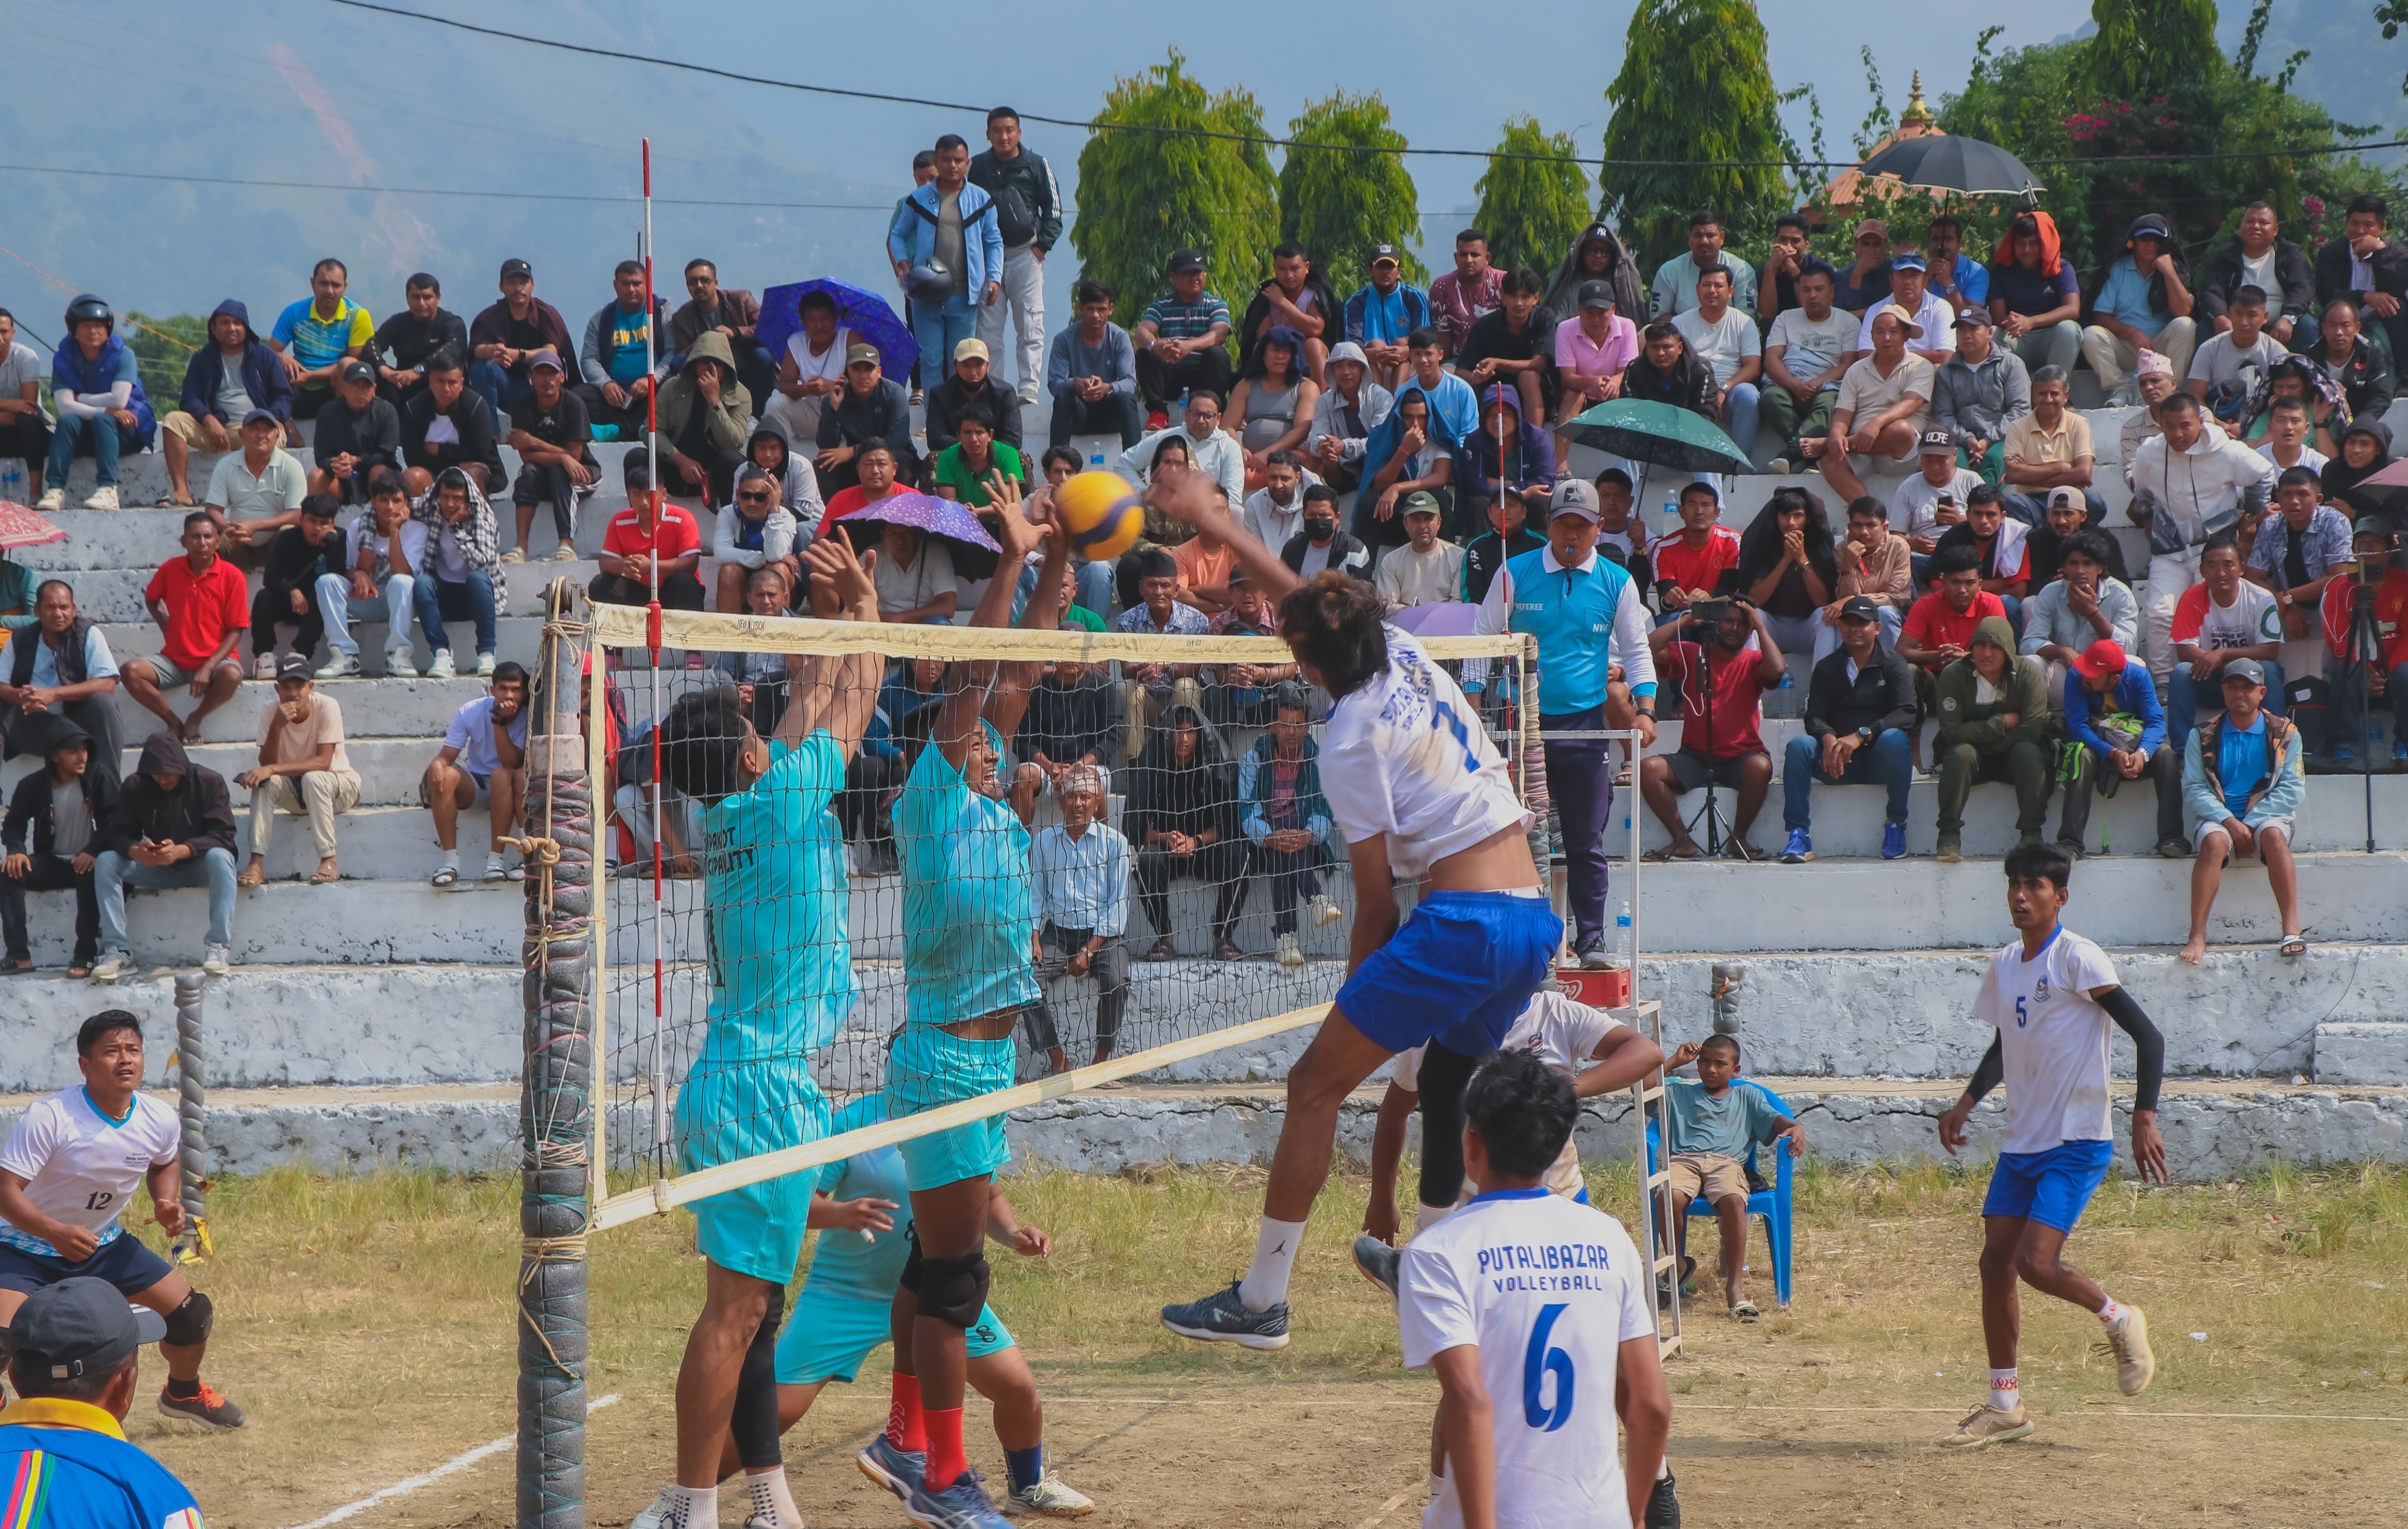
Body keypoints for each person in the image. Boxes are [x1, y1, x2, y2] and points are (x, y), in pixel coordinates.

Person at [1152, 463, 1560, 1350]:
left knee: (1313, 1085)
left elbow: (1374, 904)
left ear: (1302, 664)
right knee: (1450, 1082)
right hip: (1532, 915)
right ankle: (1458, 1276)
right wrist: (1215, 524)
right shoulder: (1400, 649)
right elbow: (1308, 599)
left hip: (1464, 924)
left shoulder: (1346, 740)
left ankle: (1260, 1302)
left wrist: (1351, 998)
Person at [628, 535, 886, 1529]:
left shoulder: (733, 810)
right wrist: (861, 608)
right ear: (744, 756)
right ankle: (691, 1502)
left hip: (751, 1082)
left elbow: (804, 709)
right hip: (759, 1087)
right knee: (735, 1314)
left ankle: (768, 1499)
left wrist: (826, 624)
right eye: (752, 728)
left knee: (757, 1309)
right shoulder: (778, 801)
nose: (766, 732)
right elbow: (849, 705)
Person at [874, 487, 1066, 1529]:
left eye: (994, 744)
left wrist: (1058, 559)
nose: (991, 744)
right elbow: (987, 676)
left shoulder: (998, 816)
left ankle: (902, 1434)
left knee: (929, 1262)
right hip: (944, 1063)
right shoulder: (933, 801)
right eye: (974, 740)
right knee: (955, 1284)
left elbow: (1023, 670)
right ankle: (942, 1478)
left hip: (987, 1068)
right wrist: (1007, 565)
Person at [739, 1096, 1093, 1524]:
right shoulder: (855, 1122)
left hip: (938, 1292)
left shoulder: (958, 1118)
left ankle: (1027, 1488)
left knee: (1018, 1391)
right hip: (846, 1295)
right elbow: (799, 1201)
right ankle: (690, 1492)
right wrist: (840, 1213)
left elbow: (986, 1194)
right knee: (774, 1412)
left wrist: (1015, 1234)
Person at [1934, 839, 2164, 1447]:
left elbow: (2148, 1036)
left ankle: (2118, 1317)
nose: (2020, 894)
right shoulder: (2006, 962)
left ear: (2059, 896)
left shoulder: (2078, 958)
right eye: (2013, 882)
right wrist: (1965, 1101)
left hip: (2075, 1138)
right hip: (2022, 1142)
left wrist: (2144, 1115)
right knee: (1994, 1263)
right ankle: (2004, 1404)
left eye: (2034, 885)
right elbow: (2003, 1047)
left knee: (2035, 1262)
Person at [1390, 1049, 1673, 1529]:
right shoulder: (1608, 1237)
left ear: (1472, 1140)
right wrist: (1635, 1514)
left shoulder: (1438, 1252)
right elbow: (1650, 1404)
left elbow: (1467, 1401)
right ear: (1560, 1140)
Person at [0, 1013, 244, 1426]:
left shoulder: (158, 1118)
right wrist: (53, 1232)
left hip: (103, 1245)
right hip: (25, 1246)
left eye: (133, 1050)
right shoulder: (51, 1116)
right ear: (85, 1064)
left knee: (191, 1314)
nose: (125, 1060)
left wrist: (165, 1202)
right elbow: (6, 1192)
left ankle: (182, 1393)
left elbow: (163, 1163)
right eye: (111, 1051)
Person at [1473, 478, 1657, 965]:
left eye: (1581, 525)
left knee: (1584, 841)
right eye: (1562, 525)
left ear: (1599, 528)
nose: (1570, 535)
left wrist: (1645, 709)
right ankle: (1518, 941)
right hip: (1522, 726)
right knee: (1514, 838)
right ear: (1548, 526)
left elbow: (1636, 649)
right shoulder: (1514, 573)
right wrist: (1473, 709)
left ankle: (1591, 938)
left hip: (1584, 726)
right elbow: (1482, 641)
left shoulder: (1617, 581)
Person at [2128, 392, 2278, 683]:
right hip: (2169, 549)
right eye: (2169, 426)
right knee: (2159, 614)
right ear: (2160, 424)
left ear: (2200, 422)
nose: (2177, 433)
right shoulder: (2150, 453)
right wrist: (2152, 524)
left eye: (2185, 425)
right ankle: (2163, 683)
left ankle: (2213, 679)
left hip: (2214, 552)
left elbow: (2263, 474)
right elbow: (2143, 493)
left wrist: (2250, 517)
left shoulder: (2227, 451)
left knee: (2208, 616)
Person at [1659, 1034, 1804, 1319]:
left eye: (1720, 1064)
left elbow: (1776, 1120)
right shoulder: (1679, 1093)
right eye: (1705, 1063)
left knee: (1735, 1201)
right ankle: (1677, 1263)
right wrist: (1675, 1061)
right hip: (1684, 1160)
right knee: (1669, 1196)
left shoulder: (1747, 1096)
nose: (1711, 1070)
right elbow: (1637, 1088)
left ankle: (1735, 1290)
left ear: (1735, 1070)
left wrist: (1797, 1127)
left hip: (1727, 1164)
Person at [91, 733, 237, 984]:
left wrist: (182, 850)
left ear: (182, 766)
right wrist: (137, 851)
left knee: (221, 858)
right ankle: (116, 950)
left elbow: (224, 835)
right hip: (155, 867)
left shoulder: (209, 781)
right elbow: (118, 833)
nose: (164, 778)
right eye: (156, 773)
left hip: (199, 865)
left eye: (170, 772)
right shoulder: (136, 785)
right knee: (106, 861)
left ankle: (218, 946)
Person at [1780, 595, 1917, 863]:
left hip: (1878, 761)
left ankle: (1896, 826)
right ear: (1840, 627)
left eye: (1862, 623)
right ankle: (1799, 835)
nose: (1854, 628)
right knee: (1799, 746)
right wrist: (1828, 738)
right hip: (1835, 762)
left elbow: (1907, 712)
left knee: (1896, 739)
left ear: (1877, 628)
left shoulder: (1894, 664)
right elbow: (1815, 716)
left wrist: (1863, 734)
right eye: (1848, 622)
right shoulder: (1827, 666)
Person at [1642, 598, 1781, 860]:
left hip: (1741, 756)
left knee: (1761, 767)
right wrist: (1684, 621)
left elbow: (1777, 669)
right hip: (1694, 756)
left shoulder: (1754, 659)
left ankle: (1738, 839)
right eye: (1728, 620)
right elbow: (1647, 648)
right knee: (1648, 769)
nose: (1734, 628)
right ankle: (1682, 840)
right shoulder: (1694, 653)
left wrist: (1760, 626)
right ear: (1717, 623)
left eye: (1742, 624)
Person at [1124, 703, 1246, 965]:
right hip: (1167, 851)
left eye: (1190, 732)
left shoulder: (1211, 767)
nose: (1184, 738)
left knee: (1240, 856)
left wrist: (1196, 841)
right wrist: (1166, 838)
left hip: (1203, 850)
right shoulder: (1156, 768)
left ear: (1199, 735)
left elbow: (1226, 827)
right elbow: (1140, 832)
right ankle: (1165, 937)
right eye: (1178, 731)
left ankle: (1222, 937)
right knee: (1144, 861)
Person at [889, 135, 1004, 399]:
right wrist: (902, 262)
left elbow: (994, 241)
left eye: (958, 160)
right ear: (937, 162)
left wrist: (994, 277)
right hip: (926, 295)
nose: (953, 165)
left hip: (966, 296)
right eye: (946, 160)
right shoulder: (917, 199)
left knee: (961, 360)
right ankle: (933, 419)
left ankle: (958, 419)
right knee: (929, 359)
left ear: (968, 164)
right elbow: (898, 234)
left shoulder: (981, 200)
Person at [1932, 615, 2052, 862]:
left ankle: (2031, 834)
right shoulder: (1954, 675)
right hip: (1973, 762)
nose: (1986, 653)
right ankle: (1949, 835)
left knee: (2029, 752)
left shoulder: (2028, 673)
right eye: (1980, 645)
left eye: (1995, 647)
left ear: (2008, 650)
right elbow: (1952, 732)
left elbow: (2032, 729)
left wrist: (1981, 737)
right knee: (1960, 754)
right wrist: (2001, 723)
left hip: (2013, 759)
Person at [1236, 685, 1338, 969]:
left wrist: (1308, 835)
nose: (1291, 732)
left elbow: (1323, 812)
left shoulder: (1317, 760)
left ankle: (1286, 939)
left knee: (1291, 829)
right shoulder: (1253, 760)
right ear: (1273, 727)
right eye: (1284, 725)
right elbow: (1247, 812)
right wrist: (1268, 836)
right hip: (1264, 841)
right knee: (1282, 836)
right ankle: (1315, 897)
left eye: (1297, 725)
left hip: (1305, 843)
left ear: (1307, 727)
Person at [2055, 638, 2184, 859]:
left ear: (2114, 678)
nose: (2085, 675)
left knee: (2166, 755)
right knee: (2081, 755)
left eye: (2093, 674)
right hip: (2097, 747)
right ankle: (2070, 843)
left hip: (2134, 747)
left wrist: (2142, 755)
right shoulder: (2077, 677)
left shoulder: (2139, 677)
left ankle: (2172, 838)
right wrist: (2111, 752)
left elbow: (2155, 723)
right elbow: (2077, 726)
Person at [234, 658, 358, 887]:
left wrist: (271, 769)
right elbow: (266, 763)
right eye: (286, 687)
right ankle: (256, 864)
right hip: (297, 790)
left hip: (340, 786)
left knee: (313, 778)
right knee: (265, 783)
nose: (293, 693)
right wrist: (277, 726)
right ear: (277, 689)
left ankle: (328, 859)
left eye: (299, 686)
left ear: (310, 687)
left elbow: (323, 762)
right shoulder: (270, 711)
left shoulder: (327, 705)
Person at [123, 514, 247, 745]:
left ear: (218, 541)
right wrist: (165, 625)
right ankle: (172, 722)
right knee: (130, 671)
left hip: (217, 660)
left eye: (208, 536)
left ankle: (195, 718)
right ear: (183, 541)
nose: (202, 542)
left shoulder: (232, 575)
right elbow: (152, 599)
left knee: (232, 674)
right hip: (175, 661)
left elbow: (237, 629)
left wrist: (209, 666)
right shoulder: (171, 569)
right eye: (195, 536)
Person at [0, 722, 111, 977]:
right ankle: (18, 956)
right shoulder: (33, 784)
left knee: (88, 872)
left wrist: (94, 851)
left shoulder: (100, 776)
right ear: (54, 755)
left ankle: (85, 954)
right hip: (53, 861)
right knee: (10, 872)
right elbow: (14, 822)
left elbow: (116, 822)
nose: (82, 755)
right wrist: (15, 850)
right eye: (73, 750)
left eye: (85, 749)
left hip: (91, 861)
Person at [2165, 531, 2284, 758]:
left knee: (2269, 669)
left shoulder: (2262, 598)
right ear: (2202, 571)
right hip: (2213, 681)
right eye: (2212, 566)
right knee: (2181, 673)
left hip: (2251, 680)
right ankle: (2180, 754)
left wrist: (2221, 654)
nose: (2220, 573)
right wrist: (2219, 663)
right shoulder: (2191, 598)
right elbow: (2185, 650)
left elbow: (2271, 651)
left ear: (2241, 568)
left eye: (2228, 565)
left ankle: (2276, 744)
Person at [163, 299, 293, 506]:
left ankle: (264, 498)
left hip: (256, 428)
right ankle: (181, 492)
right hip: (218, 431)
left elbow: (284, 397)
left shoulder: (265, 356)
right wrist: (209, 420)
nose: (231, 328)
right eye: (224, 323)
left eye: (237, 323)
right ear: (213, 329)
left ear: (246, 327)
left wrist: (273, 418)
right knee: (173, 421)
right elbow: (189, 398)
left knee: (273, 437)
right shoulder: (202, 358)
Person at [1801, 305, 1934, 504]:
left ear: (1906, 335)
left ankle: (1830, 444)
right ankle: (1869, 512)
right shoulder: (1856, 369)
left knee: (1902, 430)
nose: (1886, 337)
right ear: (1872, 336)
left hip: (1900, 451)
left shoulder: (1921, 365)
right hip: (1860, 451)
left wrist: (1876, 424)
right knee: (1831, 462)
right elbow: (1843, 412)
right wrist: (1837, 435)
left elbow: (1911, 403)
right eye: (1880, 332)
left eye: (1894, 332)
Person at [36, 296, 153, 514]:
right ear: (74, 329)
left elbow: (120, 400)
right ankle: (54, 490)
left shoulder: (123, 355)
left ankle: (107, 489)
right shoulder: (63, 358)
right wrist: (104, 408)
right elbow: (64, 406)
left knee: (103, 419)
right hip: (92, 432)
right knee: (68, 421)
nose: (93, 331)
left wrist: (82, 398)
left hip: (128, 431)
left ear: (108, 328)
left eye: (99, 326)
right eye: (87, 326)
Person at [1, 581, 121, 789]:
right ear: (37, 610)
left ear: (74, 610)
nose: (58, 613)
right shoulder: (19, 638)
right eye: (50, 607)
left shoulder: (89, 634)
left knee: (103, 703)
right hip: (38, 726)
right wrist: (25, 696)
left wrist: (54, 694)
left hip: (80, 727)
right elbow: (1, 685)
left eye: (64, 607)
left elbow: (108, 683)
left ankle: (108, 792)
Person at [424, 664, 529, 887]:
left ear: (525, 692)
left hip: (512, 784)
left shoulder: (529, 716)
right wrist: (437, 765)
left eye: (516, 689)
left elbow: (510, 763)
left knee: (503, 774)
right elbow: (447, 756)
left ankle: (496, 859)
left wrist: (499, 722)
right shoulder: (471, 710)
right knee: (447, 775)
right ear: (492, 690)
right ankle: (450, 862)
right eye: (503, 688)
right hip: (478, 784)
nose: (509, 695)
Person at [2080, 215, 2198, 403]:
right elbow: (2101, 316)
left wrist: (2168, 271)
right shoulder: (2118, 269)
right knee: (2091, 334)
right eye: (2145, 239)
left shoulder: (2175, 269)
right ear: (2133, 242)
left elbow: (2184, 311)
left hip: (2162, 349)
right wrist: (2132, 332)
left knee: (2186, 326)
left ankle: (2168, 389)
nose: (2151, 244)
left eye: (2157, 240)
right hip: (2127, 347)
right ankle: (2118, 388)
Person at [2320, 514, 2408, 766]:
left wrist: (2386, 674)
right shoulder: (2338, 586)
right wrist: (2367, 671)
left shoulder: (2404, 583)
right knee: (2344, 674)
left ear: (2390, 550)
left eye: (2373, 542)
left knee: (2407, 673)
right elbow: (2337, 639)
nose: (2366, 548)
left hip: (2394, 673)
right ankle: (2343, 747)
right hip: (2361, 670)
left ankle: (2404, 743)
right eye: (2361, 542)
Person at [2019, 529, 2139, 708]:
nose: (2080, 570)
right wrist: (2062, 651)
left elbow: (2129, 647)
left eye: (2088, 563)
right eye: (2073, 563)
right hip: (2068, 677)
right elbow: (2029, 643)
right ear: (2064, 568)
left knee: (2136, 665)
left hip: (2105, 680)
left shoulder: (2120, 594)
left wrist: (2093, 613)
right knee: (2031, 664)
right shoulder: (2051, 593)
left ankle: (2111, 712)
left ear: (2100, 567)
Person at [321, 471, 424, 678]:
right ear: (373, 502)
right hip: (365, 597)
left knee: (401, 582)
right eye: (383, 500)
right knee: (326, 581)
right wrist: (359, 574)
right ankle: (344, 656)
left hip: (401, 602)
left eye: (396, 501)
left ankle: (399, 654)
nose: (390, 507)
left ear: (406, 503)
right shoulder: (357, 527)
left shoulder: (417, 530)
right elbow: (348, 568)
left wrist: (394, 531)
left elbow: (402, 571)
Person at [504, 349, 599, 562]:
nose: (547, 379)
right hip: (541, 476)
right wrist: (562, 457)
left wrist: (533, 442)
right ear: (531, 377)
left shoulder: (574, 404)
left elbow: (575, 456)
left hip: (582, 473)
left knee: (560, 469)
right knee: (527, 473)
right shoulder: (521, 405)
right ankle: (521, 548)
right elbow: (526, 457)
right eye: (541, 373)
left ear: (562, 376)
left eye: (552, 373)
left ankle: (566, 545)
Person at [1111, 549, 1210, 753]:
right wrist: (1142, 668)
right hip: (1147, 700)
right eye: (1152, 585)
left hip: (1180, 698)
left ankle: (1186, 765)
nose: (1158, 592)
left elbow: (1196, 669)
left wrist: (1165, 667)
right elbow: (1125, 670)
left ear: (1176, 590)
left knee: (1186, 686)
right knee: (1126, 688)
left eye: (1165, 585)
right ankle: (1134, 767)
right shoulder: (1127, 621)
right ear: (1141, 588)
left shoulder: (1197, 620)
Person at [411, 467, 504, 679]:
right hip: (443, 595)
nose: (450, 504)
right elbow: (397, 506)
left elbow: (482, 563)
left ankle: (487, 653)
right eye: (445, 496)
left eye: (457, 498)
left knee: (478, 579)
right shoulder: (431, 508)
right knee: (422, 583)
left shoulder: (482, 517)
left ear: (467, 498)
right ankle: (441, 654)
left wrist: (455, 528)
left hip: (476, 598)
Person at [1760, 264, 1854, 473]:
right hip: (1788, 382)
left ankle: (1791, 453)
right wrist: (1794, 385)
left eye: (1819, 290)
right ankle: (1812, 456)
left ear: (1832, 292)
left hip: (1828, 385)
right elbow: (1772, 359)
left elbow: (1848, 363)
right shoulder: (1786, 318)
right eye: (1806, 290)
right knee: (1770, 398)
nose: (1812, 295)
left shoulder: (1849, 322)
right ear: (1799, 294)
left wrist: (1813, 385)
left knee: (1829, 402)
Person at [1734, 485, 1838, 662]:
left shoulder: (1818, 548)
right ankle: (1749, 683)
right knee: (1752, 615)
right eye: (1785, 515)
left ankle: (1822, 686)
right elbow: (1754, 600)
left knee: (1825, 617)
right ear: (1777, 517)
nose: (1791, 523)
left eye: (1798, 516)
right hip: (1770, 626)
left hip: (1806, 626)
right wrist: (1784, 561)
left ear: (1808, 518)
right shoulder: (1765, 546)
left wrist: (1802, 559)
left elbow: (1822, 602)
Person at [468, 257, 578, 422]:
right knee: (481, 368)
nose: (518, 288)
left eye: (523, 282)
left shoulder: (547, 315)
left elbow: (552, 352)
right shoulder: (489, 318)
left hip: (544, 386)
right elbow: (475, 349)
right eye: (511, 283)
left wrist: (518, 355)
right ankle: (490, 434)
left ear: (532, 285)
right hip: (509, 388)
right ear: (501, 287)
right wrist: (492, 351)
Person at [1132, 248, 1235, 422]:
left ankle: (1215, 411)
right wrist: (1156, 345)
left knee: (1217, 354)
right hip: (1173, 375)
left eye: (1198, 272)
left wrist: (1190, 345)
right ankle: (1158, 413)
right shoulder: (1161, 305)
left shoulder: (1216, 304)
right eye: (1187, 273)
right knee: (1145, 354)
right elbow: (1142, 332)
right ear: (1174, 277)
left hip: (1203, 378)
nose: (1194, 278)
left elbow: (1220, 334)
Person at [2247, 465, 2352, 637]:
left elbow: (2337, 577)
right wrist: (2287, 606)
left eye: (2303, 494)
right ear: (2278, 498)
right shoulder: (2270, 525)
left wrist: (2287, 598)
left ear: (2318, 499)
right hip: (2285, 606)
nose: (2294, 501)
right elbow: (2254, 576)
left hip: (2331, 604)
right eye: (2287, 494)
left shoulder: (2335, 521)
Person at [1668, 266, 1760, 461]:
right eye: (1706, 285)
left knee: (1750, 396)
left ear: (1731, 292)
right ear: (1697, 289)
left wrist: (1724, 389)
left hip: (1730, 390)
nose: (1712, 290)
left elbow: (1753, 366)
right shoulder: (1680, 323)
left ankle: (1740, 462)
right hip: (1692, 388)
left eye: (1719, 285)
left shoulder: (1744, 322)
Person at [267, 257, 372, 425]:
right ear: (313, 283)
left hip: (334, 384)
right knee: (275, 363)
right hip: (298, 384)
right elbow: (269, 351)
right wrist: (281, 357)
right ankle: (286, 426)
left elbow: (356, 363)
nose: (329, 291)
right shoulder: (294, 313)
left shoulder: (358, 315)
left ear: (345, 287)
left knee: (348, 364)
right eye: (323, 284)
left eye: (336, 285)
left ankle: (343, 424)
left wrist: (310, 376)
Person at [250, 493, 348, 672]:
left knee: (321, 593)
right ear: (301, 519)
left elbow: (340, 576)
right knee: (263, 597)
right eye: (312, 521)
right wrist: (291, 592)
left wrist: (332, 545)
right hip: (291, 601)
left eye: (324, 522)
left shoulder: (340, 539)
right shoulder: (288, 538)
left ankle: (300, 655)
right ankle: (264, 656)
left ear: (332, 524)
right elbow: (270, 577)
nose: (317, 528)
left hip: (320, 609)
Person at [2197, 202, 2315, 349]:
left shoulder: (2291, 254)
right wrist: (2220, 317)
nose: (2256, 226)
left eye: (2264, 222)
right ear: (2241, 227)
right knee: (2206, 327)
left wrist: (2288, 318)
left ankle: (2311, 371)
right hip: (2236, 325)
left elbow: (2303, 288)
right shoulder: (2225, 258)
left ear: (2276, 230)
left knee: (2307, 326)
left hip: (2279, 324)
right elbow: (2211, 290)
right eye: (2250, 221)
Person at [574, 260, 671, 438]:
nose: (632, 289)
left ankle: (616, 430)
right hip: (615, 395)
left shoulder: (662, 314)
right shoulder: (602, 319)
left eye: (637, 283)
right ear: (615, 285)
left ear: (647, 283)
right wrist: (605, 383)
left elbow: (673, 354)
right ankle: (634, 427)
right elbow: (589, 358)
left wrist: (652, 379)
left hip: (651, 390)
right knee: (577, 398)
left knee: (670, 394)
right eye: (625, 284)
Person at [656, 332, 754, 508]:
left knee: (732, 460)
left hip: (714, 473)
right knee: (638, 459)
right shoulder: (672, 387)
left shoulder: (741, 394)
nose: (711, 368)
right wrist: (679, 459)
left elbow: (733, 443)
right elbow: (652, 431)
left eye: (717, 363)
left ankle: (731, 520)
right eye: (704, 362)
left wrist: (714, 402)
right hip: (675, 465)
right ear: (694, 365)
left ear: (726, 367)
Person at [1042, 280, 1142, 451]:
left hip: (1110, 414)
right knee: (1063, 398)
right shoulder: (1064, 340)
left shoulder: (1120, 337)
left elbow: (1130, 383)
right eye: (1090, 309)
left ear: (1110, 309)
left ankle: (1135, 466)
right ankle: (1058, 462)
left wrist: (1107, 388)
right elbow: (1054, 383)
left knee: (1126, 399)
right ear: (1080, 308)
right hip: (1079, 415)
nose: (1096, 315)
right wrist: (1076, 383)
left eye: (1101, 309)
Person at [1933, 306, 2028, 483]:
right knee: (1953, 464)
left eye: (1974, 328)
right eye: (1961, 329)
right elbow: (1943, 415)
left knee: (1994, 461)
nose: (1967, 335)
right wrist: (1968, 439)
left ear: (1990, 332)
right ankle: (1960, 510)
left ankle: (1985, 508)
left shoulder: (2011, 364)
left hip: (2002, 438)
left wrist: (1988, 440)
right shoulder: (1947, 370)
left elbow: (2020, 410)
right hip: (1961, 440)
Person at [593, 465, 707, 611]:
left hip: (673, 591)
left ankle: (684, 634)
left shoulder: (681, 518)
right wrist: (627, 564)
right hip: (639, 590)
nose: (644, 503)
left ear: (664, 494)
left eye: (649, 495)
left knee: (684, 582)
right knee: (600, 584)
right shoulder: (619, 521)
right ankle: (618, 633)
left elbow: (691, 563)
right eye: (637, 495)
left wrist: (652, 566)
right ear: (629, 496)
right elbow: (605, 564)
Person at [1456, 267, 1558, 428]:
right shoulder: (1484, 326)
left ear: (1536, 298)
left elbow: (1538, 365)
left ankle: (1536, 441)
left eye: (1525, 297)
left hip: (1535, 392)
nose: (1518, 303)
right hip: (1493, 391)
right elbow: (1460, 370)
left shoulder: (1544, 318)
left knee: (1528, 377)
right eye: (1513, 296)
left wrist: (1497, 362)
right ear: (1503, 297)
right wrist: (1476, 377)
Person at [669, 258, 774, 413]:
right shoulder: (682, 317)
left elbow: (767, 328)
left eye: (704, 280)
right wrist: (700, 343)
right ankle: (698, 414)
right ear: (688, 287)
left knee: (763, 356)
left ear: (715, 282)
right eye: (692, 282)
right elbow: (680, 353)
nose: (699, 286)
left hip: (743, 362)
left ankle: (758, 413)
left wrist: (735, 332)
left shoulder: (742, 299)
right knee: (678, 364)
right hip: (709, 370)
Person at [2002, 366, 2103, 526]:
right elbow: (2013, 475)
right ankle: (2043, 539)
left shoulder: (2079, 424)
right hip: (2033, 500)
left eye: (2054, 393)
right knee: (2011, 502)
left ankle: (2075, 543)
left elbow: (2084, 475)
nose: (2048, 399)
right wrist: (2061, 467)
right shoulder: (2017, 427)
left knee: (2094, 501)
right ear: (2034, 396)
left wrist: (2029, 472)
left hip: (2071, 498)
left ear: (2066, 396)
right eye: (2042, 393)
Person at [2311, 193, 2408, 362]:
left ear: (2382, 227)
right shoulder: (2331, 253)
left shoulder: (2398, 252)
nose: (2360, 231)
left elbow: (2397, 289)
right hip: (2345, 317)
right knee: (2331, 316)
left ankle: (2403, 378)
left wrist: (2381, 253)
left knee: (2399, 308)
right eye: (2354, 223)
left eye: (2369, 225)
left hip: (2383, 317)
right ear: (2346, 224)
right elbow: (2327, 295)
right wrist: (2365, 297)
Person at [1987, 210, 2083, 377]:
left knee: (2070, 329)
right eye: (2020, 243)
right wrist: (2012, 322)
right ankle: (2012, 389)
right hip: (2017, 337)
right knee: (1992, 333)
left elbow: (2073, 309)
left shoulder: (2061, 268)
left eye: (2033, 243)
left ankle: (2057, 387)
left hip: (2051, 338)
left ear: (2044, 243)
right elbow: (1997, 316)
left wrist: (2031, 322)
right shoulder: (2000, 271)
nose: (2027, 250)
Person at [1360, 390, 1458, 554]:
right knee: (1370, 501)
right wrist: (1404, 450)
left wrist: (1397, 488)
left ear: (1430, 417)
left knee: (1441, 496)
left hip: (1426, 518)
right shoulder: (1387, 437)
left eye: (1421, 417)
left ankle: (1448, 561)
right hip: (1395, 517)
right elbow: (1380, 483)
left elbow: (1440, 478)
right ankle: (1364, 572)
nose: (1415, 424)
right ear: (1400, 416)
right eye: (1408, 417)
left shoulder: (1439, 438)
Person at [399, 348, 505, 495]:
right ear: (430, 381)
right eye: (440, 381)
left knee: (473, 475)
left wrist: (439, 450)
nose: (446, 389)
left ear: (462, 383)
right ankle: (415, 519)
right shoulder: (413, 408)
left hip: (473, 470)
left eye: (452, 383)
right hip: (432, 472)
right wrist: (457, 464)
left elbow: (479, 452)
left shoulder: (476, 406)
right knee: (411, 477)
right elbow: (413, 457)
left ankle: (480, 518)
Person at [817, 344, 918, 496]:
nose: (863, 375)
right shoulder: (835, 397)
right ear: (847, 372)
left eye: (869, 369)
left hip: (891, 457)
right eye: (856, 369)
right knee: (823, 463)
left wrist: (853, 450)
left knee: (901, 459)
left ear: (879, 372)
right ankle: (838, 516)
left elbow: (898, 441)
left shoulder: (894, 393)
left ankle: (897, 515)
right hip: (859, 463)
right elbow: (825, 444)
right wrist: (834, 409)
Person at [1931, 485, 2033, 632]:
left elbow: (2018, 592)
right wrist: (2001, 583)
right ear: (1968, 515)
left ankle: (2011, 653)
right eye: (1977, 514)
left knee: (2007, 603)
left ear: (2003, 516)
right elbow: (1938, 589)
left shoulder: (2016, 537)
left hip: (1994, 605)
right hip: (1957, 606)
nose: (1983, 521)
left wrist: (1962, 586)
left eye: (1991, 514)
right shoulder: (1952, 538)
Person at [764, 289, 857, 448]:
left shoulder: (849, 339)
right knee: (775, 404)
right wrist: (807, 389)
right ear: (803, 322)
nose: (819, 326)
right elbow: (785, 386)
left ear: (835, 318)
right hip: (814, 415)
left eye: (825, 319)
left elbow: (864, 384)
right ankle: (785, 457)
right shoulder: (796, 342)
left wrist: (830, 387)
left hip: (845, 416)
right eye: (812, 320)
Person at [2186, 285, 2288, 428]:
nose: (2244, 322)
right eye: (2239, 314)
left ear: (2265, 317)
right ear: (2230, 313)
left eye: (2252, 315)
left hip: (2263, 426)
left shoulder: (2278, 353)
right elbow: (2196, 398)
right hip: (2215, 423)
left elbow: (2286, 399)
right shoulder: (2209, 348)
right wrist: (2223, 426)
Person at [1235, 241, 1335, 385]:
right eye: (1282, 269)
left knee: (1314, 345)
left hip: (1307, 352)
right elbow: (1264, 335)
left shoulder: (1314, 293)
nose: (1289, 275)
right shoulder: (1268, 295)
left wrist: (1283, 302)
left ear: (1306, 267)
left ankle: (1324, 401)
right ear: (1275, 268)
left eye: (1295, 269)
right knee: (1260, 347)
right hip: (1280, 350)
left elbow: (1316, 328)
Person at [306, 359, 403, 509]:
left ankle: (382, 521)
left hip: (375, 478)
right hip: (340, 481)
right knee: (316, 476)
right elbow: (322, 456)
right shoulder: (327, 412)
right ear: (344, 387)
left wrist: (357, 461)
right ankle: (317, 522)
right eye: (355, 386)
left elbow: (387, 453)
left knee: (380, 471)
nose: (361, 391)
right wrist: (337, 465)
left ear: (375, 389)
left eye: (366, 386)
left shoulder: (386, 410)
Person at [368, 271, 468, 412]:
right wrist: (383, 369)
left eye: (427, 297)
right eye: (415, 297)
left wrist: (419, 370)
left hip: (440, 385)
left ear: (438, 298)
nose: (421, 303)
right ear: (407, 298)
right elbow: (372, 344)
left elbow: (454, 348)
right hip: (404, 383)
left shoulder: (452, 323)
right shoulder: (398, 322)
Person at [1227, 327, 1318, 481]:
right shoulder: (1246, 385)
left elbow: (1303, 430)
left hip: (1291, 457)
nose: (1280, 356)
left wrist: (1268, 454)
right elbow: (1227, 426)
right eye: (1275, 350)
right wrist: (1239, 450)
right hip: (1251, 460)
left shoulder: (1307, 387)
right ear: (1263, 354)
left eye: (1286, 351)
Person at [1341, 245, 1433, 392]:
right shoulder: (1356, 302)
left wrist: (1407, 350)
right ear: (1371, 271)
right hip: (1371, 363)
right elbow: (1353, 341)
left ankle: (1398, 399)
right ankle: (1378, 400)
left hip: (1408, 363)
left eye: (1390, 267)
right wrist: (1370, 353)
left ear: (1399, 272)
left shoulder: (1414, 297)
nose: (1385, 272)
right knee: (1376, 344)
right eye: (1380, 267)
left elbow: (1423, 338)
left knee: (1402, 341)